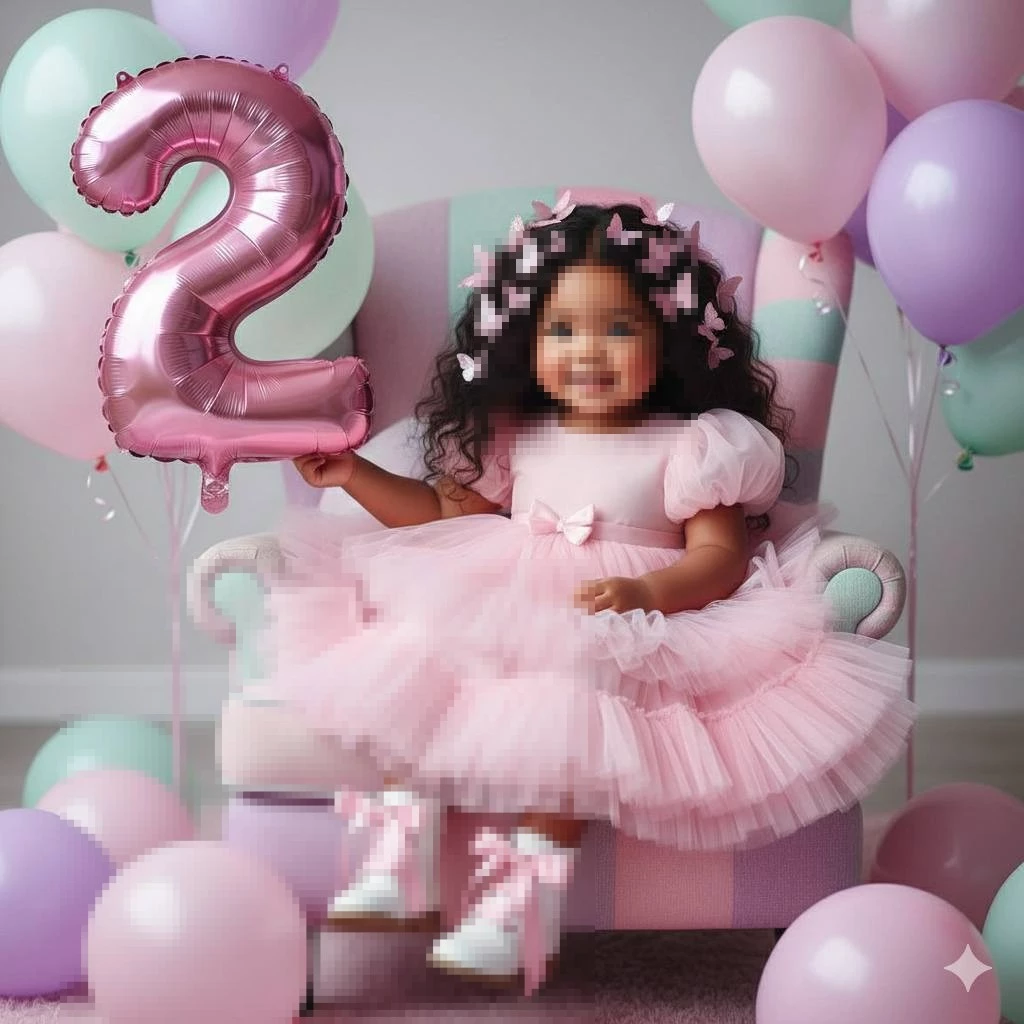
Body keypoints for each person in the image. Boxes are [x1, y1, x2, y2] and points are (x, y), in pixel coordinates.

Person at [266, 194, 915, 994]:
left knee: (577, 704)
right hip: (497, 588)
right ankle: (397, 855)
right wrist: (357, 475)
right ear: (527, 342)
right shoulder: (514, 435)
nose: (589, 352)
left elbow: (717, 557)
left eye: (619, 329)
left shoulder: (694, 444)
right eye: (563, 331)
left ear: (669, 341)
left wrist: (650, 588)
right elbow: (438, 513)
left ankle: (520, 907)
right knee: (421, 663)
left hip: (623, 614)